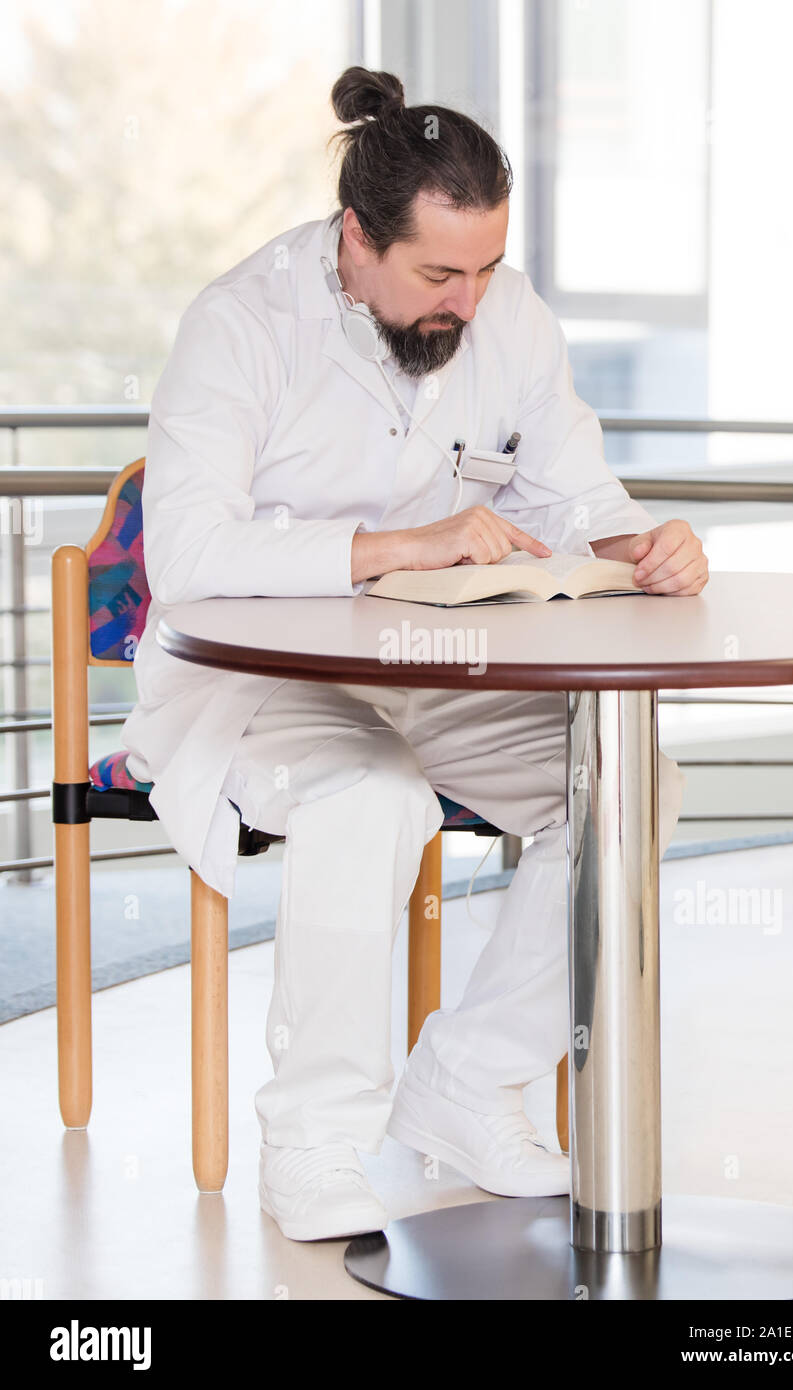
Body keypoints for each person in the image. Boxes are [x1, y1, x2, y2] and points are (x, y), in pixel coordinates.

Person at [121, 65, 708, 1243]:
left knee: (625, 790)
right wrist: (400, 542)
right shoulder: (240, 324)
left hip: (441, 667)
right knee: (372, 800)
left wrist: (645, 544)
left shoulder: (504, 312)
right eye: (439, 273)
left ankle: (467, 1084)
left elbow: (577, 488)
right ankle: (315, 1138)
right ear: (355, 236)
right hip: (267, 681)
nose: (469, 300)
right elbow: (185, 552)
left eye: (486, 268)